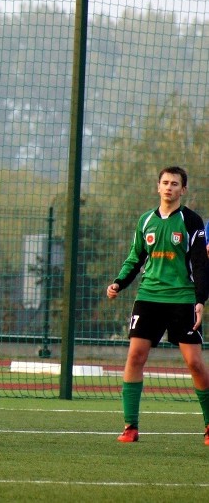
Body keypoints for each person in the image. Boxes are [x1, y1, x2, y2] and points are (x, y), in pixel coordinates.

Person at [106, 166, 209, 445]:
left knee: (195, 363)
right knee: (135, 357)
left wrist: (200, 300)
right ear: (158, 187)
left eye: (175, 184)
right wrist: (118, 282)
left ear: (183, 190)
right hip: (148, 297)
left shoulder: (191, 222)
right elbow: (135, 258)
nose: (169, 187)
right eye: (165, 182)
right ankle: (131, 427)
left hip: (182, 299)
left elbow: (201, 264)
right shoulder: (145, 221)